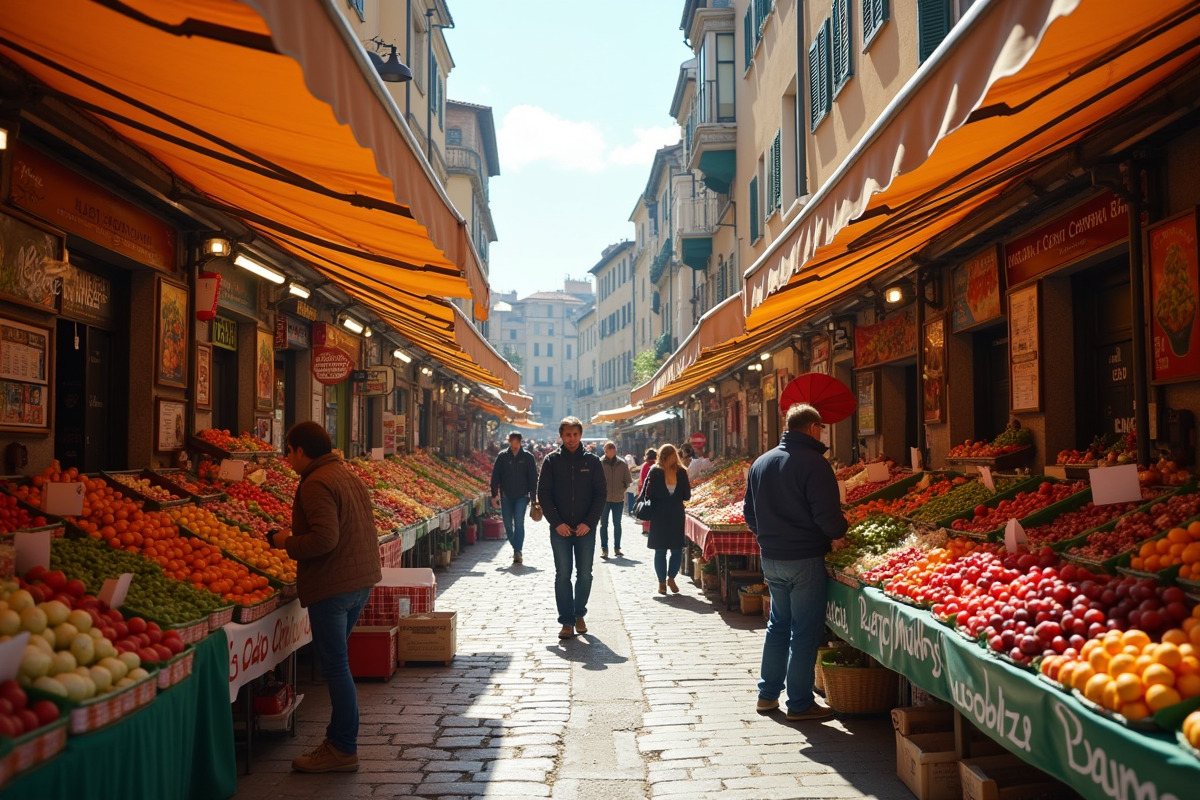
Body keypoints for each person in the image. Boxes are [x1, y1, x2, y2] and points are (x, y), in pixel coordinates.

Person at [271, 422, 382, 772]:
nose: (287, 459)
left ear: (301, 451)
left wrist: (285, 542)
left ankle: (344, 748)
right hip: (358, 582)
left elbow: (324, 539)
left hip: (333, 586)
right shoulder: (346, 475)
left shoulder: (316, 483)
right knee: (339, 664)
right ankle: (337, 739)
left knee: (335, 667)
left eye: (288, 451)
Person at [743, 404, 848, 722]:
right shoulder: (815, 463)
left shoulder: (761, 462)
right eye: (823, 429)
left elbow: (749, 514)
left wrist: (769, 536)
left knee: (778, 626)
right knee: (804, 630)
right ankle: (800, 702)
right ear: (814, 428)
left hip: (771, 558)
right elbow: (826, 515)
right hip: (804, 558)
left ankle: (767, 695)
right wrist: (839, 533)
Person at [537, 416, 606, 639]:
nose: (571, 439)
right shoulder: (551, 461)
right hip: (560, 530)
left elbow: (600, 494)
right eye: (567, 435)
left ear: (580, 435)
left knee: (585, 574)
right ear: (561, 435)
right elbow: (544, 494)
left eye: (575, 434)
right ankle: (566, 621)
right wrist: (557, 523)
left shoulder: (593, 461)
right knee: (563, 575)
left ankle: (579, 614)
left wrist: (589, 522)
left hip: (586, 529)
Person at [641, 443, 691, 595]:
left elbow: (686, 495)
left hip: (666, 515)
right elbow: (686, 496)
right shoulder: (660, 471)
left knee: (668, 550)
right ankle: (666, 580)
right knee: (668, 550)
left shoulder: (670, 472)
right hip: (668, 514)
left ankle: (666, 580)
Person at [490, 431, 538, 564]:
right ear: (509, 441)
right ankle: (515, 547)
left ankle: (518, 551)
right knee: (507, 524)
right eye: (512, 442)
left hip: (522, 496)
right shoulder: (503, 456)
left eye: (517, 442)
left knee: (519, 522)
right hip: (506, 495)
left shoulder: (528, 457)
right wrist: (494, 494)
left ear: (521, 442)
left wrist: (534, 497)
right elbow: (495, 476)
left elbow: (533, 478)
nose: (515, 445)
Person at [598, 441, 631, 558]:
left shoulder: (622, 464)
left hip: (618, 498)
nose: (610, 451)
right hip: (604, 499)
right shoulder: (600, 463)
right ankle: (604, 549)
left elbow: (628, 480)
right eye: (608, 449)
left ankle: (617, 548)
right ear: (605, 451)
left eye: (612, 449)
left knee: (617, 524)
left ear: (615, 451)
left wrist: (621, 490)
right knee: (603, 525)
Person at [638, 448, 657, 533]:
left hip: (644, 490)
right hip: (653, 491)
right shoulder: (656, 465)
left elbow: (642, 479)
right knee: (652, 509)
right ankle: (651, 527)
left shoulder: (645, 465)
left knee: (645, 507)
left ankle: (645, 527)